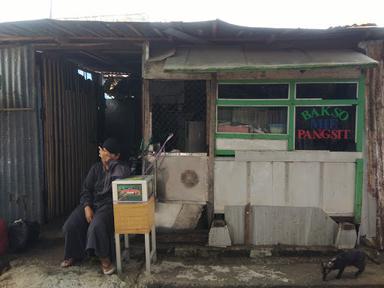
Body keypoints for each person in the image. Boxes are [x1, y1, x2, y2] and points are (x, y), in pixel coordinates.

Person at [61, 138, 130, 275]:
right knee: (71, 224)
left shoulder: (122, 168)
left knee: (97, 225)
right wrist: (87, 206)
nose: (104, 156)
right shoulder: (95, 168)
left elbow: (121, 176)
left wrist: (109, 162)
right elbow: (86, 189)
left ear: (116, 156)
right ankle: (74, 254)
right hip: (92, 203)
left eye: (108, 153)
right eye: (103, 152)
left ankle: (104, 259)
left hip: (109, 206)